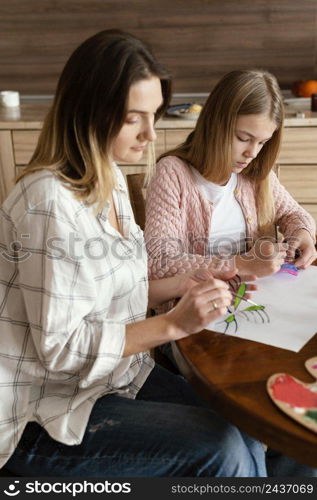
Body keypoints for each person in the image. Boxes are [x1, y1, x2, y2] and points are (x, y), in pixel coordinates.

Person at [0, 29, 270, 478]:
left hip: (112, 381)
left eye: (154, 115)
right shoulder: (47, 203)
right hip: (39, 411)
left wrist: (187, 284)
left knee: (244, 420)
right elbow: (63, 351)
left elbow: (113, 295)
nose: (150, 133)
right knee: (221, 448)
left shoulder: (109, 180)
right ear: (88, 111)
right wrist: (172, 324)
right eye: (133, 118)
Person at [145, 69, 317, 293]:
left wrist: (301, 234)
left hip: (255, 300)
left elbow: (293, 213)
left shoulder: (254, 174)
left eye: (262, 142)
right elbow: (159, 261)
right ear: (216, 125)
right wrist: (241, 263)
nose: (252, 153)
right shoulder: (173, 173)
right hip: (193, 310)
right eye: (243, 139)